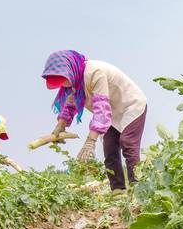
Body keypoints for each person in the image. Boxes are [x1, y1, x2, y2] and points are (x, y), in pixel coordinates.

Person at [41, 50, 147, 191]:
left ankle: (139, 189)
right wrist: (61, 125)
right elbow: (70, 104)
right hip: (112, 111)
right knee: (109, 148)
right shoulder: (75, 81)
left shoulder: (95, 73)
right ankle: (118, 190)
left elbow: (101, 109)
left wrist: (90, 141)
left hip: (130, 105)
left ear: (69, 69)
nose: (64, 84)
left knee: (128, 144)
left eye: (63, 78)